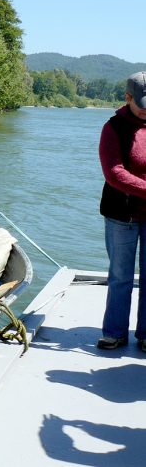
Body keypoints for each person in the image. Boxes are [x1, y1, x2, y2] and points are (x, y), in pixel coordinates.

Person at [98, 71, 146, 350]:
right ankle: (115, 332)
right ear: (128, 98)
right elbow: (114, 174)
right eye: (141, 103)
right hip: (121, 216)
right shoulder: (113, 128)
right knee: (120, 276)